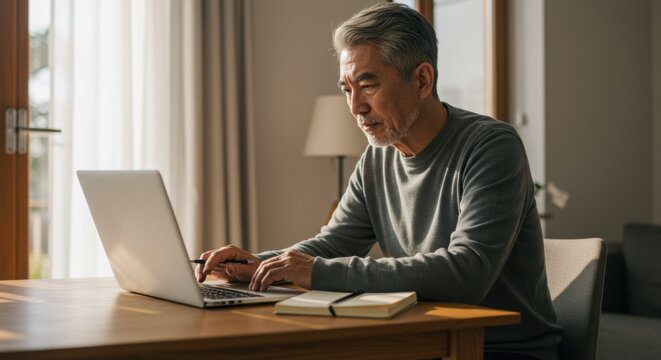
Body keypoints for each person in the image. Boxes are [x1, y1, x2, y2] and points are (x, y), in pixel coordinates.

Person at [196, 3, 562, 359]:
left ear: (422, 80)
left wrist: (317, 273)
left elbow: (468, 272)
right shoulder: (379, 155)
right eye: (347, 89)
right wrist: (256, 264)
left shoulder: (491, 146)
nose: (355, 107)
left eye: (368, 85)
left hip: (499, 349)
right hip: (420, 340)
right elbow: (335, 243)